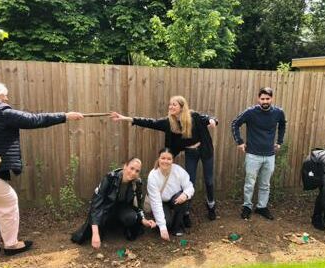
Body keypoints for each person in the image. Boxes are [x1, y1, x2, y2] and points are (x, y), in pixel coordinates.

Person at [0, 79, 84, 256]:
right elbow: (34, 119)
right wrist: (65, 116)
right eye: (4, 95)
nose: (7, 98)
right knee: (8, 202)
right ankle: (11, 245)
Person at [110, 95, 218, 226]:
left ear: (181, 107)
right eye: (170, 104)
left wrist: (212, 121)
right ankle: (186, 213)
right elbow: (150, 122)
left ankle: (211, 205)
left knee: (209, 181)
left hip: (204, 149)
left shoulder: (192, 116)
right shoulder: (169, 122)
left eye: (174, 104)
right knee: (191, 182)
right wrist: (126, 118)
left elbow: (207, 118)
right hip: (190, 153)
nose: (171, 106)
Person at [71, 158, 156, 249]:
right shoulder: (110, 178)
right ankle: (105, 227)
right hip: (106, 209)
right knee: (94, 234)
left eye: (137, 171)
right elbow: (96, 205)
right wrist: (95, 234)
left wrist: (144, 220)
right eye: (131, 168)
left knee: (131, 217)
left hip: (122, 209)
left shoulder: (137, 183)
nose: (133, 173)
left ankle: (119, 227)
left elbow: (139, 207)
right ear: (125, 166)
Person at [231, 87, 286, 220]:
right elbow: (235, 124)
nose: (265, 101)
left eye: (267, 99)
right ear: (258, 99)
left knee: (265, 184)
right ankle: (247, 207)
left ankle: (262, 207)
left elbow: (283, 125)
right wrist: (239, 142)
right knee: (250, 183)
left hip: (269, 155)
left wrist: (279, 142)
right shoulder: (250, 112)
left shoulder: (278, 112)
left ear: (271, 99)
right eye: (262, 99)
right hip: (252, 155)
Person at [147, 148, 194, 241]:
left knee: (183, 200)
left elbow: (190, 186)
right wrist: (163, 227)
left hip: (174, 199)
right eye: (163, 158)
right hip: (160, 201)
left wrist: (185, 194)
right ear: (158, 159)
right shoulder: (153, 176)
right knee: (165, 224)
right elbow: (156, 202)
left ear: (172, 161)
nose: (166, 161)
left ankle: (177, 227)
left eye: (169, 159)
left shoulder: (178, 170)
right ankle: (165, 223)